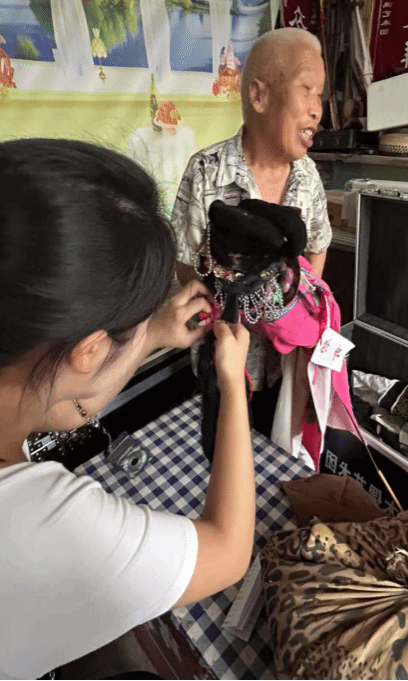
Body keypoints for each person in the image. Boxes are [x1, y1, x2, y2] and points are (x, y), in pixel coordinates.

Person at [0, 138, 253, 680]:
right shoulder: (46, 524)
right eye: (135, 322)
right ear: (88, 351)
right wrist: (233, 383)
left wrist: (147, 333)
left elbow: (76, 375)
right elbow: (229, 550)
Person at [172, 28, 332, 432]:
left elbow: (317, 248)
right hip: (224, 359)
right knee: (221, 444)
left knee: (277, 449)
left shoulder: (308, 176)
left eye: (320, 95)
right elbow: (185, 264)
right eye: (306, 89)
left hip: (286, 362)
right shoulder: (206, 170)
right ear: (259, 96)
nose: (317, 109)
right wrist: (236, 304)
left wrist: (290, 312)